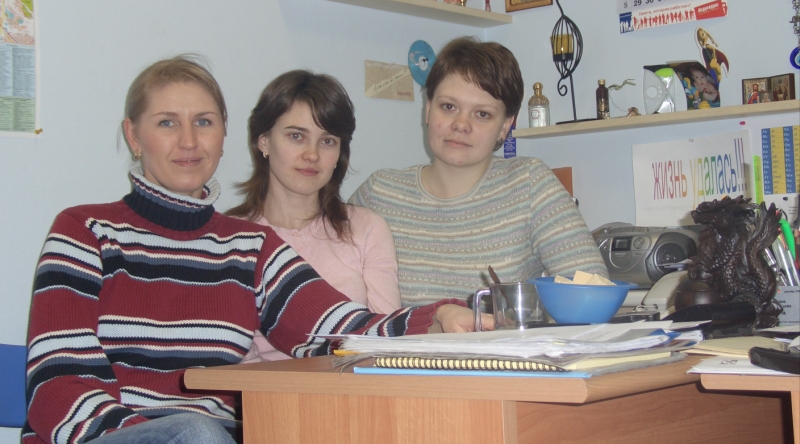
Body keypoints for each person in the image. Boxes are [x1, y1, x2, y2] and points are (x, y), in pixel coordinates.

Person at [24, 56, 483, 444]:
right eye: (167, 123)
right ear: (133, 135)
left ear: (223, 135)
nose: (189, 141)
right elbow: (57, 385)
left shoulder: (248, 246)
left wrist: (437, 318)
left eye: (203, 123)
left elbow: (341, 330)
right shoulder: (85, 231)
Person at [350, 37, 608, 307]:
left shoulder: (529, 184)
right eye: (448, 107)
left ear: (505, 126)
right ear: (428, 109)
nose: (461, 124)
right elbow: (330, 291)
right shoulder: (380, 193)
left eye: (482, 114)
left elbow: (592, 292)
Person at [226, 70, 400, 362]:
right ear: (264, 141)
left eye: (327, 141)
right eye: (296, 136)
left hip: (355, 385)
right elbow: (237, 360)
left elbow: (386, 339)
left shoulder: (368, 228)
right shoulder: (231, 238)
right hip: (263, 389)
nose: (312, 154)